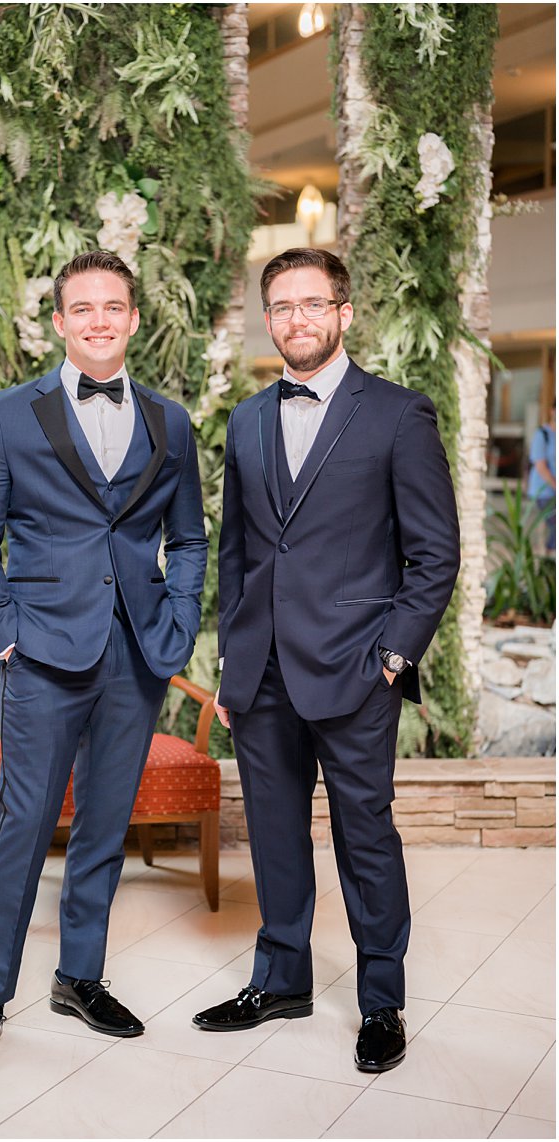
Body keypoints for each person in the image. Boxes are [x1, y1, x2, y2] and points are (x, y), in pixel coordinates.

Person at [193, 248, 459, 1073]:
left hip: (354, 669)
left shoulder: (397, 415)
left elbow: (435, 555)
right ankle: (281, 980)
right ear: (266, 319)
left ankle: (382, 1001)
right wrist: (236, 666)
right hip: (263, 672)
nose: (296, 319)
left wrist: (391, 657)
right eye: (281, 306)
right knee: (272, 833)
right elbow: (238, 554)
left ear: (344, 312)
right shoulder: (243, 421)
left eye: (313, 304)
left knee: (364, 837)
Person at [0, 251, 206, 1071]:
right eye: (82, 308)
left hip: (136, 652)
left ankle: (79, 977)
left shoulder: (171, 423)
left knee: (105, 824)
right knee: (24, 826)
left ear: (134, 320)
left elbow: (192, 539)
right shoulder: (7, 415)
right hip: (43, 653)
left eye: (114, 307)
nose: (99, 319)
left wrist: (179, 620)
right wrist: (6, 637)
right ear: (58, 322)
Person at [526, 405, 554, 555]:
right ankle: (550, 558)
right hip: (542, 491)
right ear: (552, 410)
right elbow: (540, 466)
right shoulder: (542, 434)